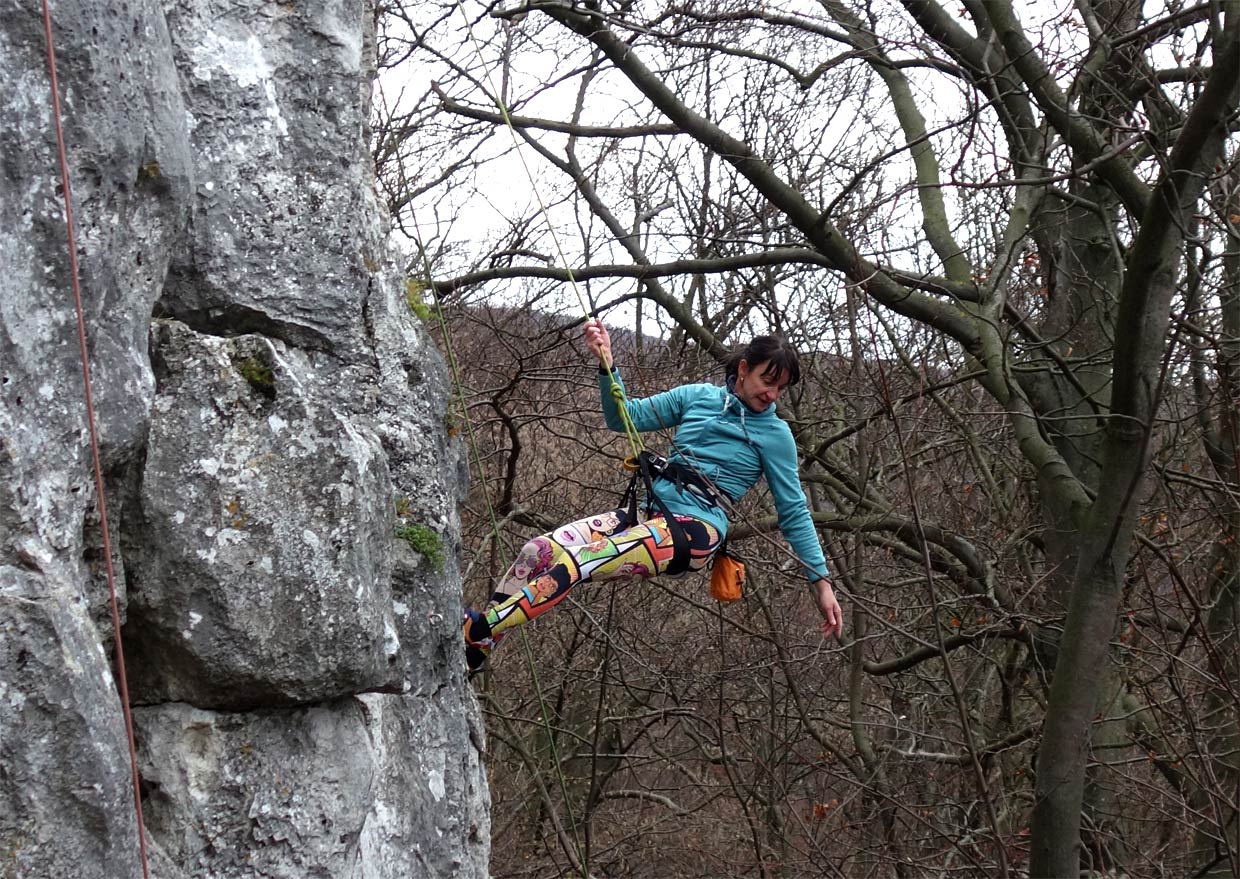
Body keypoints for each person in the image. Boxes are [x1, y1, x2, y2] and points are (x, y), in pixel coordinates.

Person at [462, 318, 843, 672]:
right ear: (743, 369)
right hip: (648, 512)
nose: (772, 395)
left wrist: (821, 583)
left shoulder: (776, 436)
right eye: (767, 381)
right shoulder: (699, 397)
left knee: (582, 560)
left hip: (696, 530)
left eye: (781, 388)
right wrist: (607, 365)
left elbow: (794, 512)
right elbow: (624, 418)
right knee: (538, 551)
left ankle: (481, 628)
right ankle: (479, 648)